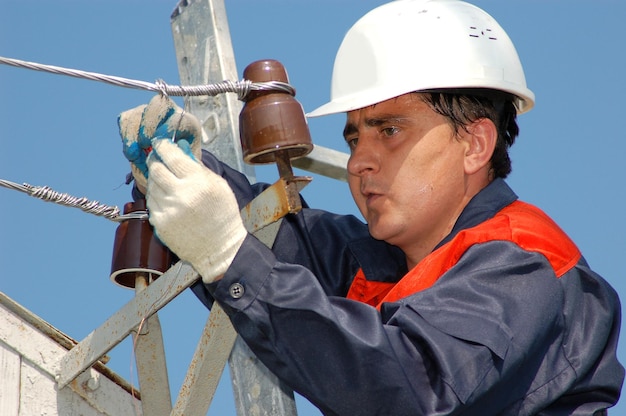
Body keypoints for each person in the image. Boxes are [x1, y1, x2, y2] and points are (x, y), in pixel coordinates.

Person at [117, 0, 624, 414]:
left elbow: (412, 386)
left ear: (474, 144)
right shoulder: (384, 264)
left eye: (390, 130)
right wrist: (188, 170)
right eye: (355, 136)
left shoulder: (523, 261)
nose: (360, 160)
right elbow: (275, 242)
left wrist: (228, 253)